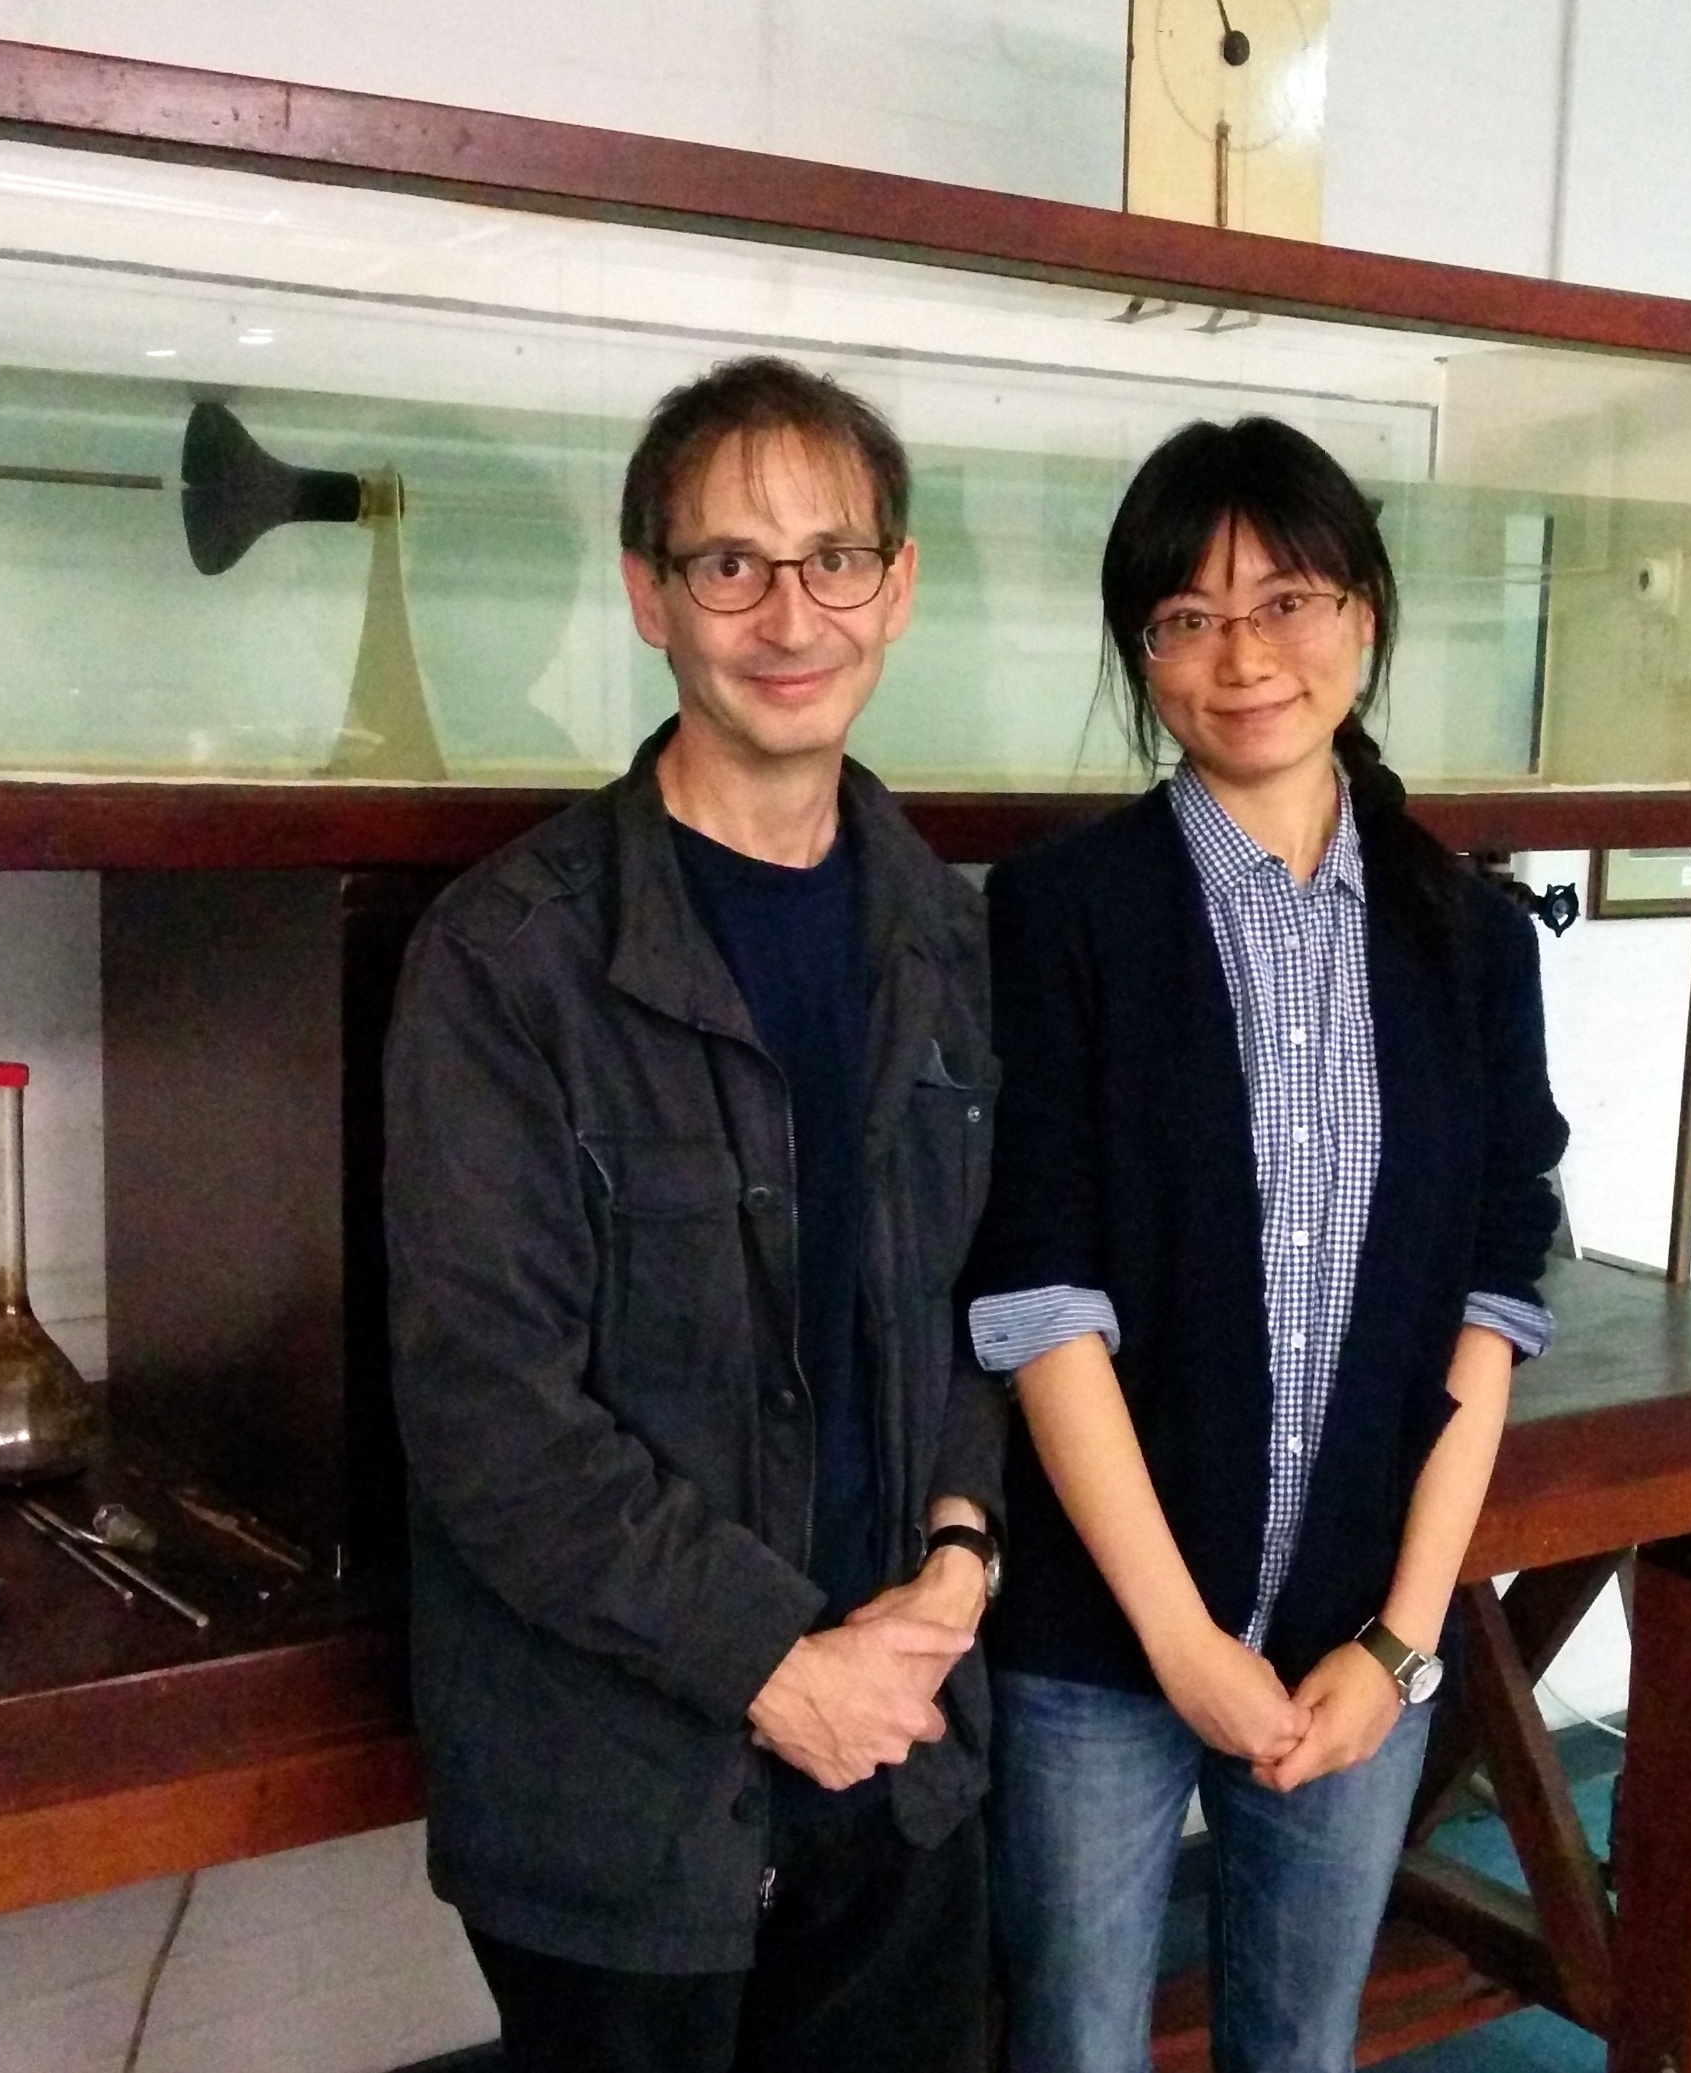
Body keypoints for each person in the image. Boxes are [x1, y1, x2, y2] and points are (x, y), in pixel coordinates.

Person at [384, 355, 1006, 2073]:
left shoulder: (950, 946)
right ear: (649, 593)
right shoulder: (510, 959)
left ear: (898, 587)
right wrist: (770, 1660)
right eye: (728, 563)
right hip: (623, 1789)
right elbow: (486, 1406)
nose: (785, 611)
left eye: (833, 558)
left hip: (907, 1748)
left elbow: (993, 1301)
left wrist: (957, 1559)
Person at [961, 416, 1569, 2073]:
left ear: (1364, 617)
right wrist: (1179, 1644)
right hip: (1101, 1636)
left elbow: (1493, 1295)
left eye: (1285, 599)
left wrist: (1399, 1638)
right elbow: (1035, 1294)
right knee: (1072, 2045)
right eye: (1184, 616)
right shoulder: (1057, 913)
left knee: (1296, 2047)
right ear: (1140, 653)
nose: (1241, 657)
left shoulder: (1472, 935)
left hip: (1358, 1628)